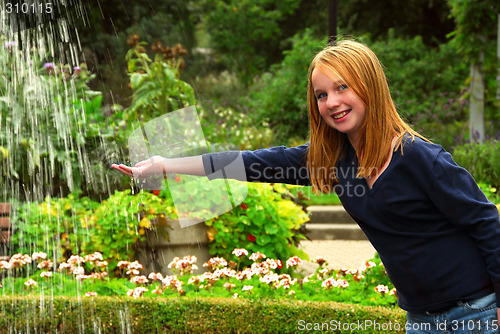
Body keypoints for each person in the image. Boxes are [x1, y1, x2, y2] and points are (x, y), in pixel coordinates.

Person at [112, 40, 500, 333]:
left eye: (343, 88)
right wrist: (168, 167)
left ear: (370, 87)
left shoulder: (419, 157)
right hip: (419, 319)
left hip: (476, 314)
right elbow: (250, 164)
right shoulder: (334, 161)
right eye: (321, 94)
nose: (332, 102)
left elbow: (487, 223)